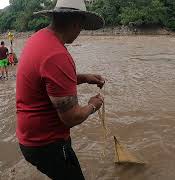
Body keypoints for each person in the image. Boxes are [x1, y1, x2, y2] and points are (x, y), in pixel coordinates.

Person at [16, 0, 105, 179]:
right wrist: (93, 105)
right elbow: (71, 118)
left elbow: (49, 82)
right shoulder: (57, 55)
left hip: (29, 137)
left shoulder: (38, 38)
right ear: (75, 23)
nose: (80, 32)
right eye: (81, 27)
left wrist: (83, 77)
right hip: (46, 144)